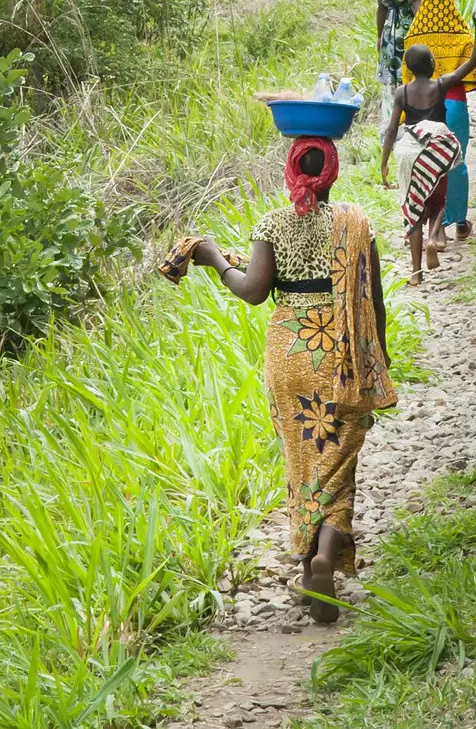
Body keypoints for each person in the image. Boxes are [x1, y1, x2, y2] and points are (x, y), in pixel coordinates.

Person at [165, 138, 395, 622]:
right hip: (342, 352)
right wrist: (381, 358)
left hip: (289, 352)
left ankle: (309, 558)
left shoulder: (273, 224)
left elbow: (252, 291)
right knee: (340, 458)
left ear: (291, 172)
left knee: (302, 458)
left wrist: (213, 258)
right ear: (332, 173)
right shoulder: (356, 224)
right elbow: (374, 300)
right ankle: (325, 556)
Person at [379, 25, 476, 281]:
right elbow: (472, 62)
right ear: (432, 62)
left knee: (414, 208)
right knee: (439, 201)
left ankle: (415, 273)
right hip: (436, 147)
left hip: (409, 150)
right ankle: (433, 236)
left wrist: (384, 163)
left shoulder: (401, 92)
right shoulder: (441, 85)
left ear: (408, 67)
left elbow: (392, 128)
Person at [398, 0, 476, 243]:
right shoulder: (460, 33)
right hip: (455, 104)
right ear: (450, 1)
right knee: (456, 164)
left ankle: (428, 225)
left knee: (426, 164)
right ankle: (459, 223)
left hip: (421, 110)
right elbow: (474, 67)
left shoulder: (413, 36)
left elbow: (406, 77)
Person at [376, 0, 429, 123]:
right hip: (410, 28)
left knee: (395, 83)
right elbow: (415, 0)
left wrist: (379, 36)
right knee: (412, 77)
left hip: (390, 32)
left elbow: (381, 6)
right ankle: (416, 123)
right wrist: (427, 28)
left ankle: (394, 125)